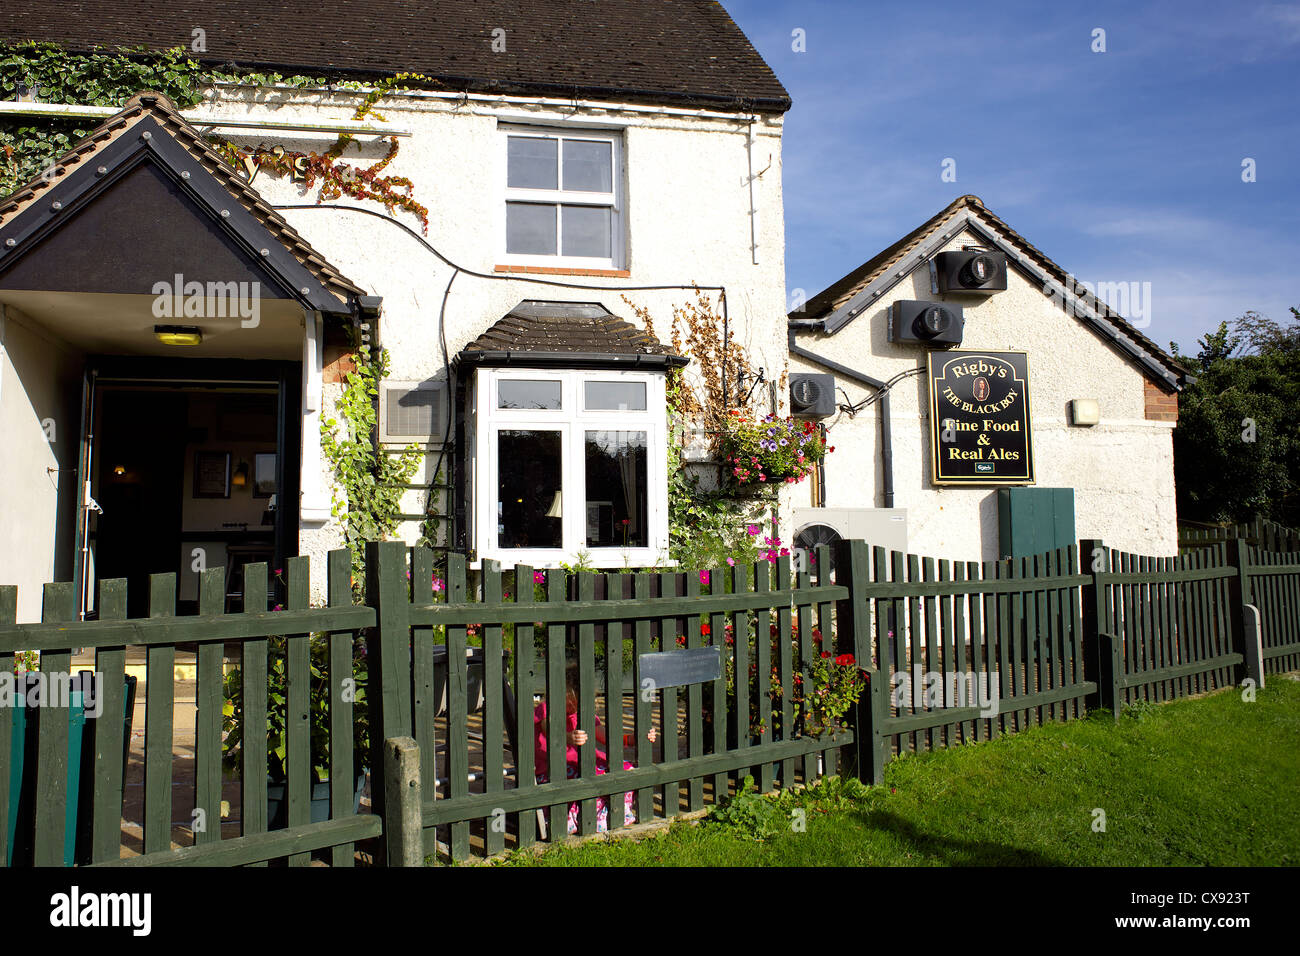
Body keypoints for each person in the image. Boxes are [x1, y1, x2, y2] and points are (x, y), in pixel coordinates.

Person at [533, 659, 657, 834]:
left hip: (583, 762)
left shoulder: (583, 713)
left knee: (625, 769)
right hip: (555, 768)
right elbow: (548, 728)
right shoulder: (547, 708)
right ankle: (577, 818)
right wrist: (568, 737)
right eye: (571, 697)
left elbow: (605, 736)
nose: (573, 704)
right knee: (591, 777)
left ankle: (614, 813)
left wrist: (633, 739)